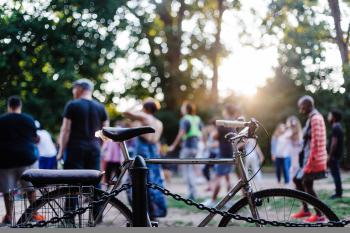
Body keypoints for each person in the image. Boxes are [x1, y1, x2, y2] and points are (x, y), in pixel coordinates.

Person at [0, 96, 42, 225]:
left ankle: (8, 216)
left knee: (7, 191)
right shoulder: (28, 119)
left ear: (9, 106)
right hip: (26, 158)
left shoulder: (1, 120)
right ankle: (34, 214)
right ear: (20, 105)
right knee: (30, 188)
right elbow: (36, 138)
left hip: (5, 160)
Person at [124, 97, 167, 219]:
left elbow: (126, 113)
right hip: (154, 151)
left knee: (138, 181)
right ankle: (154, 212)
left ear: (146, 108)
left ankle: (142, 212)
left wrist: (135, 105)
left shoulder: (145, 117)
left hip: (143, 151)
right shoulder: (159, 123)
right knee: (154, 181)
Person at [56, 79, 109, 172]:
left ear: (79, 89)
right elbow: (106, 131)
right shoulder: (101, 107)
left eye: (74, 89)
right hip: (94, 148)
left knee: (74, 181)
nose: (73, 91)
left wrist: (61, 152)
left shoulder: (72, 105)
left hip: (75, 149)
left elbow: (65, 130)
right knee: (93, 180)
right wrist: (100, 148)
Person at [291, 95, 327, 223]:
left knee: (306, 183)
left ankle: (319, 214)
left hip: (312, 159)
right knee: (299, 180)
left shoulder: (315, 118)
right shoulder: (312, 118)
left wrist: (311, 161)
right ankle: (306, 210)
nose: (300, 110)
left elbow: (317, 141)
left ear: (307, 105)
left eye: (301, 107)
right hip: (308, 158)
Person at [202, 104, 240, 207]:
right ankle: (229, 201)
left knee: (217, 177)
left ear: (226, 111)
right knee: (227, 177)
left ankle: (213, 200)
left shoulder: (223, 123)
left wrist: (213, 132)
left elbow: (214, 136)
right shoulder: (233, 124)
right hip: (230, 153)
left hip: (223, 154)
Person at [168, 101, 203, 200]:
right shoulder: (197, 118)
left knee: (186, 171)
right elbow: (201, 131)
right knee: (191, 170)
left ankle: (192, 193)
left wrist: (173, 146)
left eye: (183, 107)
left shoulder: (185, 119)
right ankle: (194, 192)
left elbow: (181, 133)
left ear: (186, 109)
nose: (181, 109)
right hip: (195, 147)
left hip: (187, 147)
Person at [327, 109, 343, 199]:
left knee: (336, 174)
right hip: (336, 155)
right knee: (336, 174)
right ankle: (338, 192)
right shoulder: (338, 126)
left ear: (333, 117)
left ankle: (338, 193)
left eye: (329, 115)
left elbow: (334, 144)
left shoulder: (335, 127)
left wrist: (329, 156)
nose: (328, 117)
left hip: (334, 156)